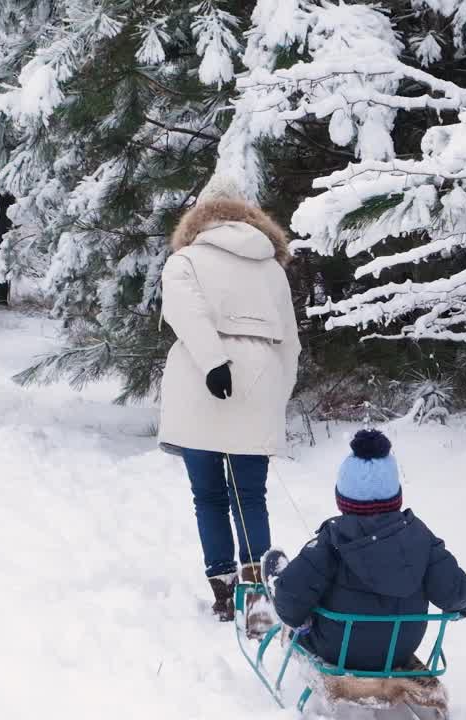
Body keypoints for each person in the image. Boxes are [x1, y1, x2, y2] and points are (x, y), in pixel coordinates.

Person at [157, 173, 300, 633]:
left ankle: (223, 589)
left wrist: (215, 360)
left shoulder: (186, 260)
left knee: (209, 497)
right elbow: (290, 343)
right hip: (259, 380)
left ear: (199, 215)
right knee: (250, 496)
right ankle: (257, 592)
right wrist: (278, 394)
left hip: (200, 382)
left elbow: (185, 312)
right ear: (246, 214)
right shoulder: (272, 267)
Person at [270, 429, 466, 672]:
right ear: (396, 496)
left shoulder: (332, 539)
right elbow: (457, 594)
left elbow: (290, 596)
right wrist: (464, 605)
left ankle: (279, 590)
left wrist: (298, 621)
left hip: (337, 650)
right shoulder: (420, 536)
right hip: (400, 648)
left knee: (295, 595)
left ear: (342, 498)